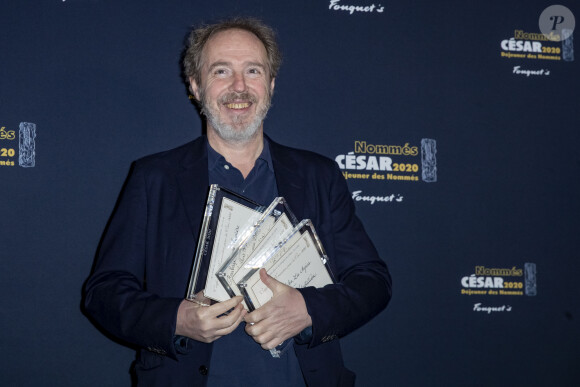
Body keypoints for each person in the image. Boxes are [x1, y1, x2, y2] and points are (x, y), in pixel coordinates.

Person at [84, 17, 392, 386]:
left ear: (271, 85)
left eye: (253, 70)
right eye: (221, 71)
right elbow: (104, 292)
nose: (239, 87)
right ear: (196, 86)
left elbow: (372, 281)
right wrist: (177, 319)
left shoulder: (318, 175)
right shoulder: (155, 178)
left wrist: (309, 310)